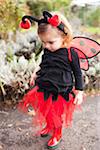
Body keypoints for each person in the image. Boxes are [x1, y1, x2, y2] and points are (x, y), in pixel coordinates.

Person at [19, 11, 84, 149]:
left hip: (60, 90)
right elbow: (43, 63)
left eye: (50, 42)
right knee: (46, 111)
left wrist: (79, 91)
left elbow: (78, 74)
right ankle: (49, 126)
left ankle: (57, 133)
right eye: (43, 42)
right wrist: (35, 73)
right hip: (45, 86)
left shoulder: (70, 53)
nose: (46, 46)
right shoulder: (48, 50)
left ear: (64, 36)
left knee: (57, 114)